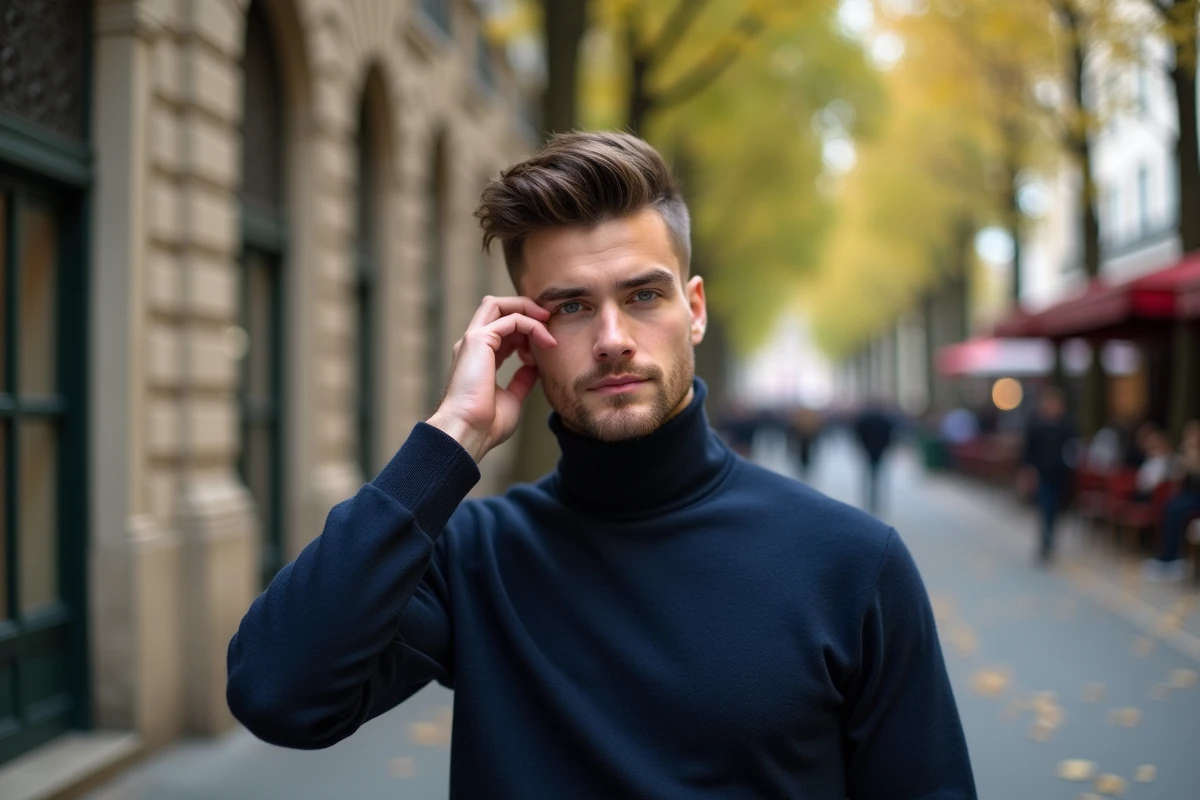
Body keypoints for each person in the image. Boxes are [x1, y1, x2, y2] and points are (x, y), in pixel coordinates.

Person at [226, 132, 975, 798]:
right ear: (522, 333)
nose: (614, 337)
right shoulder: (477, 559)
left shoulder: (850, 562)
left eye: (643, 295)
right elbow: (277, 691)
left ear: (697, 309)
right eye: (572, 308)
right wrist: (451, 436)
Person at [1019, 387, 1078, 563]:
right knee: (1045, 506)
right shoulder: (1036, 425)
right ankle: (1045, 542)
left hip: (1061, 475)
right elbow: (1028, 451)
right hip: (1042, 474)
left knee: (1055, 510)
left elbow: (1074, 450)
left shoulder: (1068, 426)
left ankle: (1049, 538)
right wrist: (1027, 471)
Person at [1144, 420, 1200, 582]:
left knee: (1175, 510)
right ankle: (1166, 556)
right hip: (1188, 496)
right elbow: (1178, 478)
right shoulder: (1186, 454)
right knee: (1169, 505)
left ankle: (1173, 557)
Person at [854, 400, 897, 514]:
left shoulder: (865, 419)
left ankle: (869, 499)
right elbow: (889, 436)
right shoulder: (884, 420)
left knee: (869, 474)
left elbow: (858, 433)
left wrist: (863, 446)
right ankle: (875, 500)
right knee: (877, 475)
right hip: (879, 450)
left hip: (869, 449)